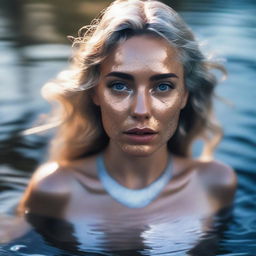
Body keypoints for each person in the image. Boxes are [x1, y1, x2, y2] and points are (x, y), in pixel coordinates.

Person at [5, 0, 237, 254]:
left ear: (184, 95)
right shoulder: (54, 188)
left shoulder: (216, 183)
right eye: (119, 85)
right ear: (95, 92)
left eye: (163, 86)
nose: (140, 110)